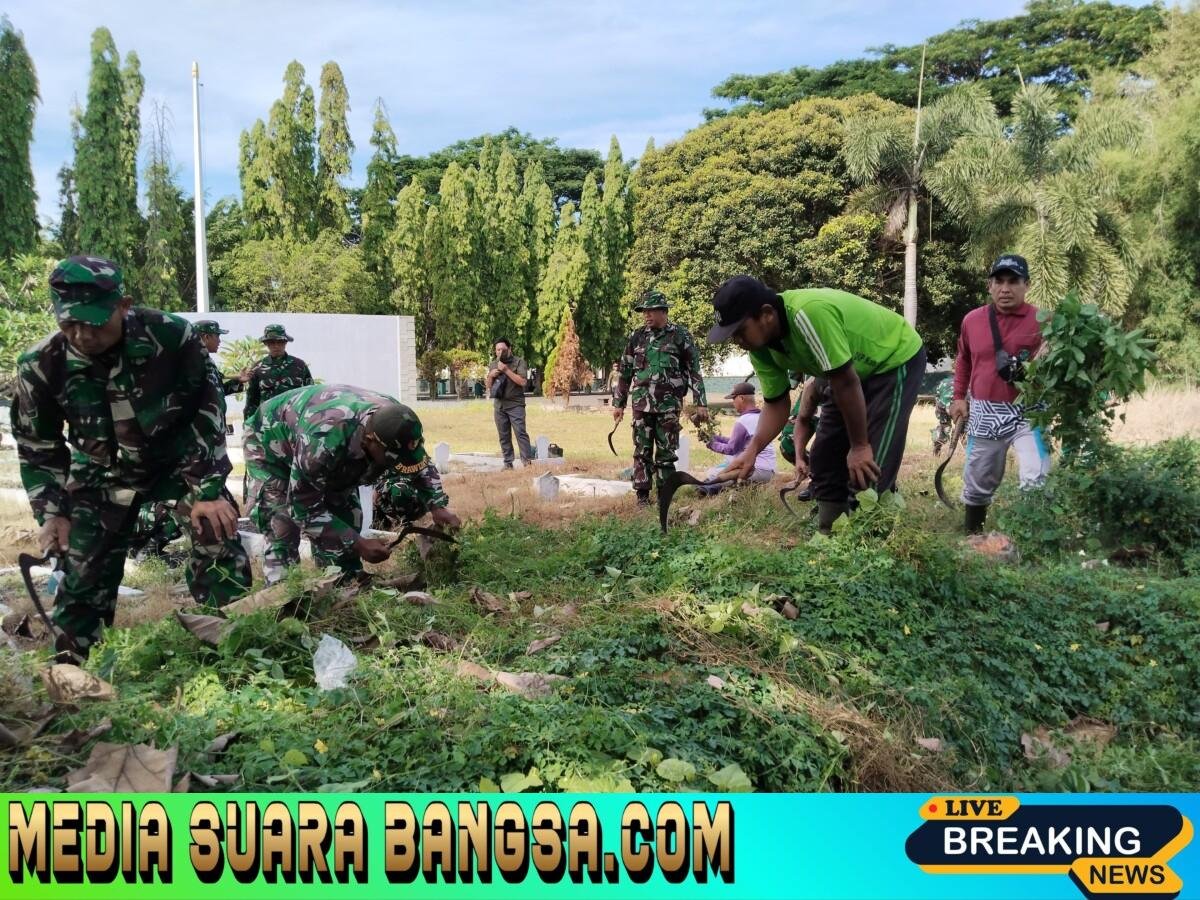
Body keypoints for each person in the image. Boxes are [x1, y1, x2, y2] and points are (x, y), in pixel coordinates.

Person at [10, 255, 251, 661]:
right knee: (81, 570)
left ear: (123, 306)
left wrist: (208, 489)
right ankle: (74, 669)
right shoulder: (41, 364)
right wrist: (52, 513)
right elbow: (39, 445)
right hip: (100, 473)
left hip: (175, 465)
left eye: (94, 322)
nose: (83, 335)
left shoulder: (171, 336)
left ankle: (232, 652)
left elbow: (206, 409)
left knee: (217, 532)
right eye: (70, 324)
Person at [706, 275, 925, 533]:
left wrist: (859, 446)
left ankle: (869, 541)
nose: (737, 341)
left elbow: (845, 383)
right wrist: (752, 451)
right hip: (843, 374)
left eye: (740, 331)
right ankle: (829, 533)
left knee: (871, 464)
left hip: (892, 360)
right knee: (824, 458)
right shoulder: (760, 349)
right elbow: (776, 404)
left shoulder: (807, 315)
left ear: (766, 314)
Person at [244, 383, 430, 584]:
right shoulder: (322, 441)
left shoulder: (397, 421)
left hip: (326, 441)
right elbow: (304, 508)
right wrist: (358, 543)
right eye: (390, 458)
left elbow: (418, 462)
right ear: (370, 441)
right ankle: (284, 592)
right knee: (282, 524)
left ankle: (345, 582)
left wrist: (438, 505)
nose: (394, 464)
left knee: (346, 513)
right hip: (269, 445)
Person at [951, 254, 1051, 534]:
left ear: (1027, 285)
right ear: (989, 286)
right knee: (979, 477)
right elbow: (963, 359)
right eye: (999, 281)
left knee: (1036, 474)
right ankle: (973, 535)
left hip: (1030, 411)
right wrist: (958, 397)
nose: (1005, 288)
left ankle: (1033, 538)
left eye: (1013, 282)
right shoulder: (972, 320)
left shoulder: (1045, 322)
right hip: (985, 411)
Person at [612, 289, 708, 506]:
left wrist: (700, 402)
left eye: (651, 311)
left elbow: (694, 369)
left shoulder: (680, 336)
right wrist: (619, 403)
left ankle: (665, 496)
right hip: (641, 405)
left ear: (663, 311)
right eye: (644, 311)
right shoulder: (637, 336)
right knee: (642, 452)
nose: (646, 315)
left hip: (668, 406)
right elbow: (625, 371)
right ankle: (642, 497)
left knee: (667, 453)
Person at [700, 383, 775, 494]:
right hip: (769, 471)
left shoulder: (744, 420)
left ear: (741, 398)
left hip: (754, 470)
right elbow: (739, 443)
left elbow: (731, 449)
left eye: (734, 399)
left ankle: (708, 489)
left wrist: (710, 443)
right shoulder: (761, 417)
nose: (733, 402)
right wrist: (716, 438)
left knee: (712, 475)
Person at [243, 324, 313, 422]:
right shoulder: (258, 368)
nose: (276, 346)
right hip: (268, 422)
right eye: (272, 342)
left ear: (285, 342)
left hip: (294, 421)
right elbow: (252, 401)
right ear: (266, 343)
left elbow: (310, 394)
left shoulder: (299, 365)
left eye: (280, 342)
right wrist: (249, 423)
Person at [373, 459, 463, 533]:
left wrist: (438, 508)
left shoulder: (419, 459)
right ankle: (383, 524)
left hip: (414, 504)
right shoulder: (383, 457)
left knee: (400, 490)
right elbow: (377, 487)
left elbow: (431, 482)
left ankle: (406, 523)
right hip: (386, 502)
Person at [484, 338, 533, 469]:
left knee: (520, 433)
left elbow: (522, 382)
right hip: (499, 405)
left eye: (503, 349)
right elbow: (488, 386)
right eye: (497, 350)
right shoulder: (494, 364)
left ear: (510, 349)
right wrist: (490, 376)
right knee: (503, 435)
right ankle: (508, 463)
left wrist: (506, 370)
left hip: (515, 404)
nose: (500, 352)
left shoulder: (519, 362)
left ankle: (527, 462)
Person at [779, 376, 828, 502]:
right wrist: (799, 458)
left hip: (835, 388)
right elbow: (791, 384)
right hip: (809, 392)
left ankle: (821, 484)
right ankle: (814, 474)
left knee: (827, 442)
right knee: (787, 442)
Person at [931, 374, 955, 454]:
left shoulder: (943, 382)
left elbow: (937, 397)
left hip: (942, 407)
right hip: (959, 407)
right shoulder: (967, 382)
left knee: (943, 427)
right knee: (963, 428)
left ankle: (936, 446)